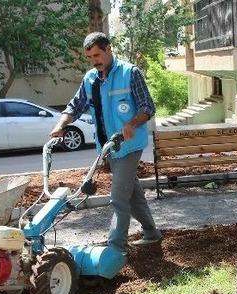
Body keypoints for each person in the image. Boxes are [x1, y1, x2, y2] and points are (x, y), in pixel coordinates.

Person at [50, 32, 162, 252]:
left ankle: (115, 248)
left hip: (129, 146)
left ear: (109, 49)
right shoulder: (90, 79)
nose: (95, 60)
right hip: (108, 148)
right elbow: (75, 106)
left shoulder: (130, 73)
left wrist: (131, 123)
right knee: (132, 193)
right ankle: (151, 232)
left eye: (98, 55)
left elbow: (147, 107)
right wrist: (60, 125)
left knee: (118, 198)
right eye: (90, 57)